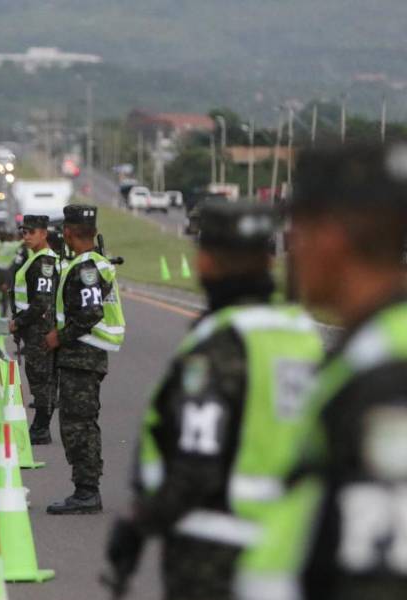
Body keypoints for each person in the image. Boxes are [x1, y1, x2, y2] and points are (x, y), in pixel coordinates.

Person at [105, 201, 324, 600]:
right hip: (291, 548)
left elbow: (196, 464)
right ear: (269, 260)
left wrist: (139, 524)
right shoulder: (301, 334)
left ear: (205, 262)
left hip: (216, 555)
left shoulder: (220, 345)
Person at [236, 144, 407, 600]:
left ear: (330, 236)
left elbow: (378, 569)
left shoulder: (387, 378)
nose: (292, 249)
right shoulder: (368, 348)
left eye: (298, 231)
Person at [45, 204, 126, 515]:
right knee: (79, 423)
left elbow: (90, 313)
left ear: (67, 233)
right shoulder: (88, 263)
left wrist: (58, 337)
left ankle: (87, 491)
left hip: (83, 354)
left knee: (78, 426)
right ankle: (85, 489)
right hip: (81, 355)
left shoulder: (87, 268)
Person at [9, 215, 59, 445]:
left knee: (41, 379)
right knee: (40, 378)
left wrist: (19, 322)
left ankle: (40, 428)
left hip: (40, 329)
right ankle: (41, 427)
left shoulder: (44, 262)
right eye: (24, 232)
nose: (26, 236)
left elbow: (41, 302)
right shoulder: (35, 259)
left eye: (31, 232)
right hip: (34, 328)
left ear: (43, 233)